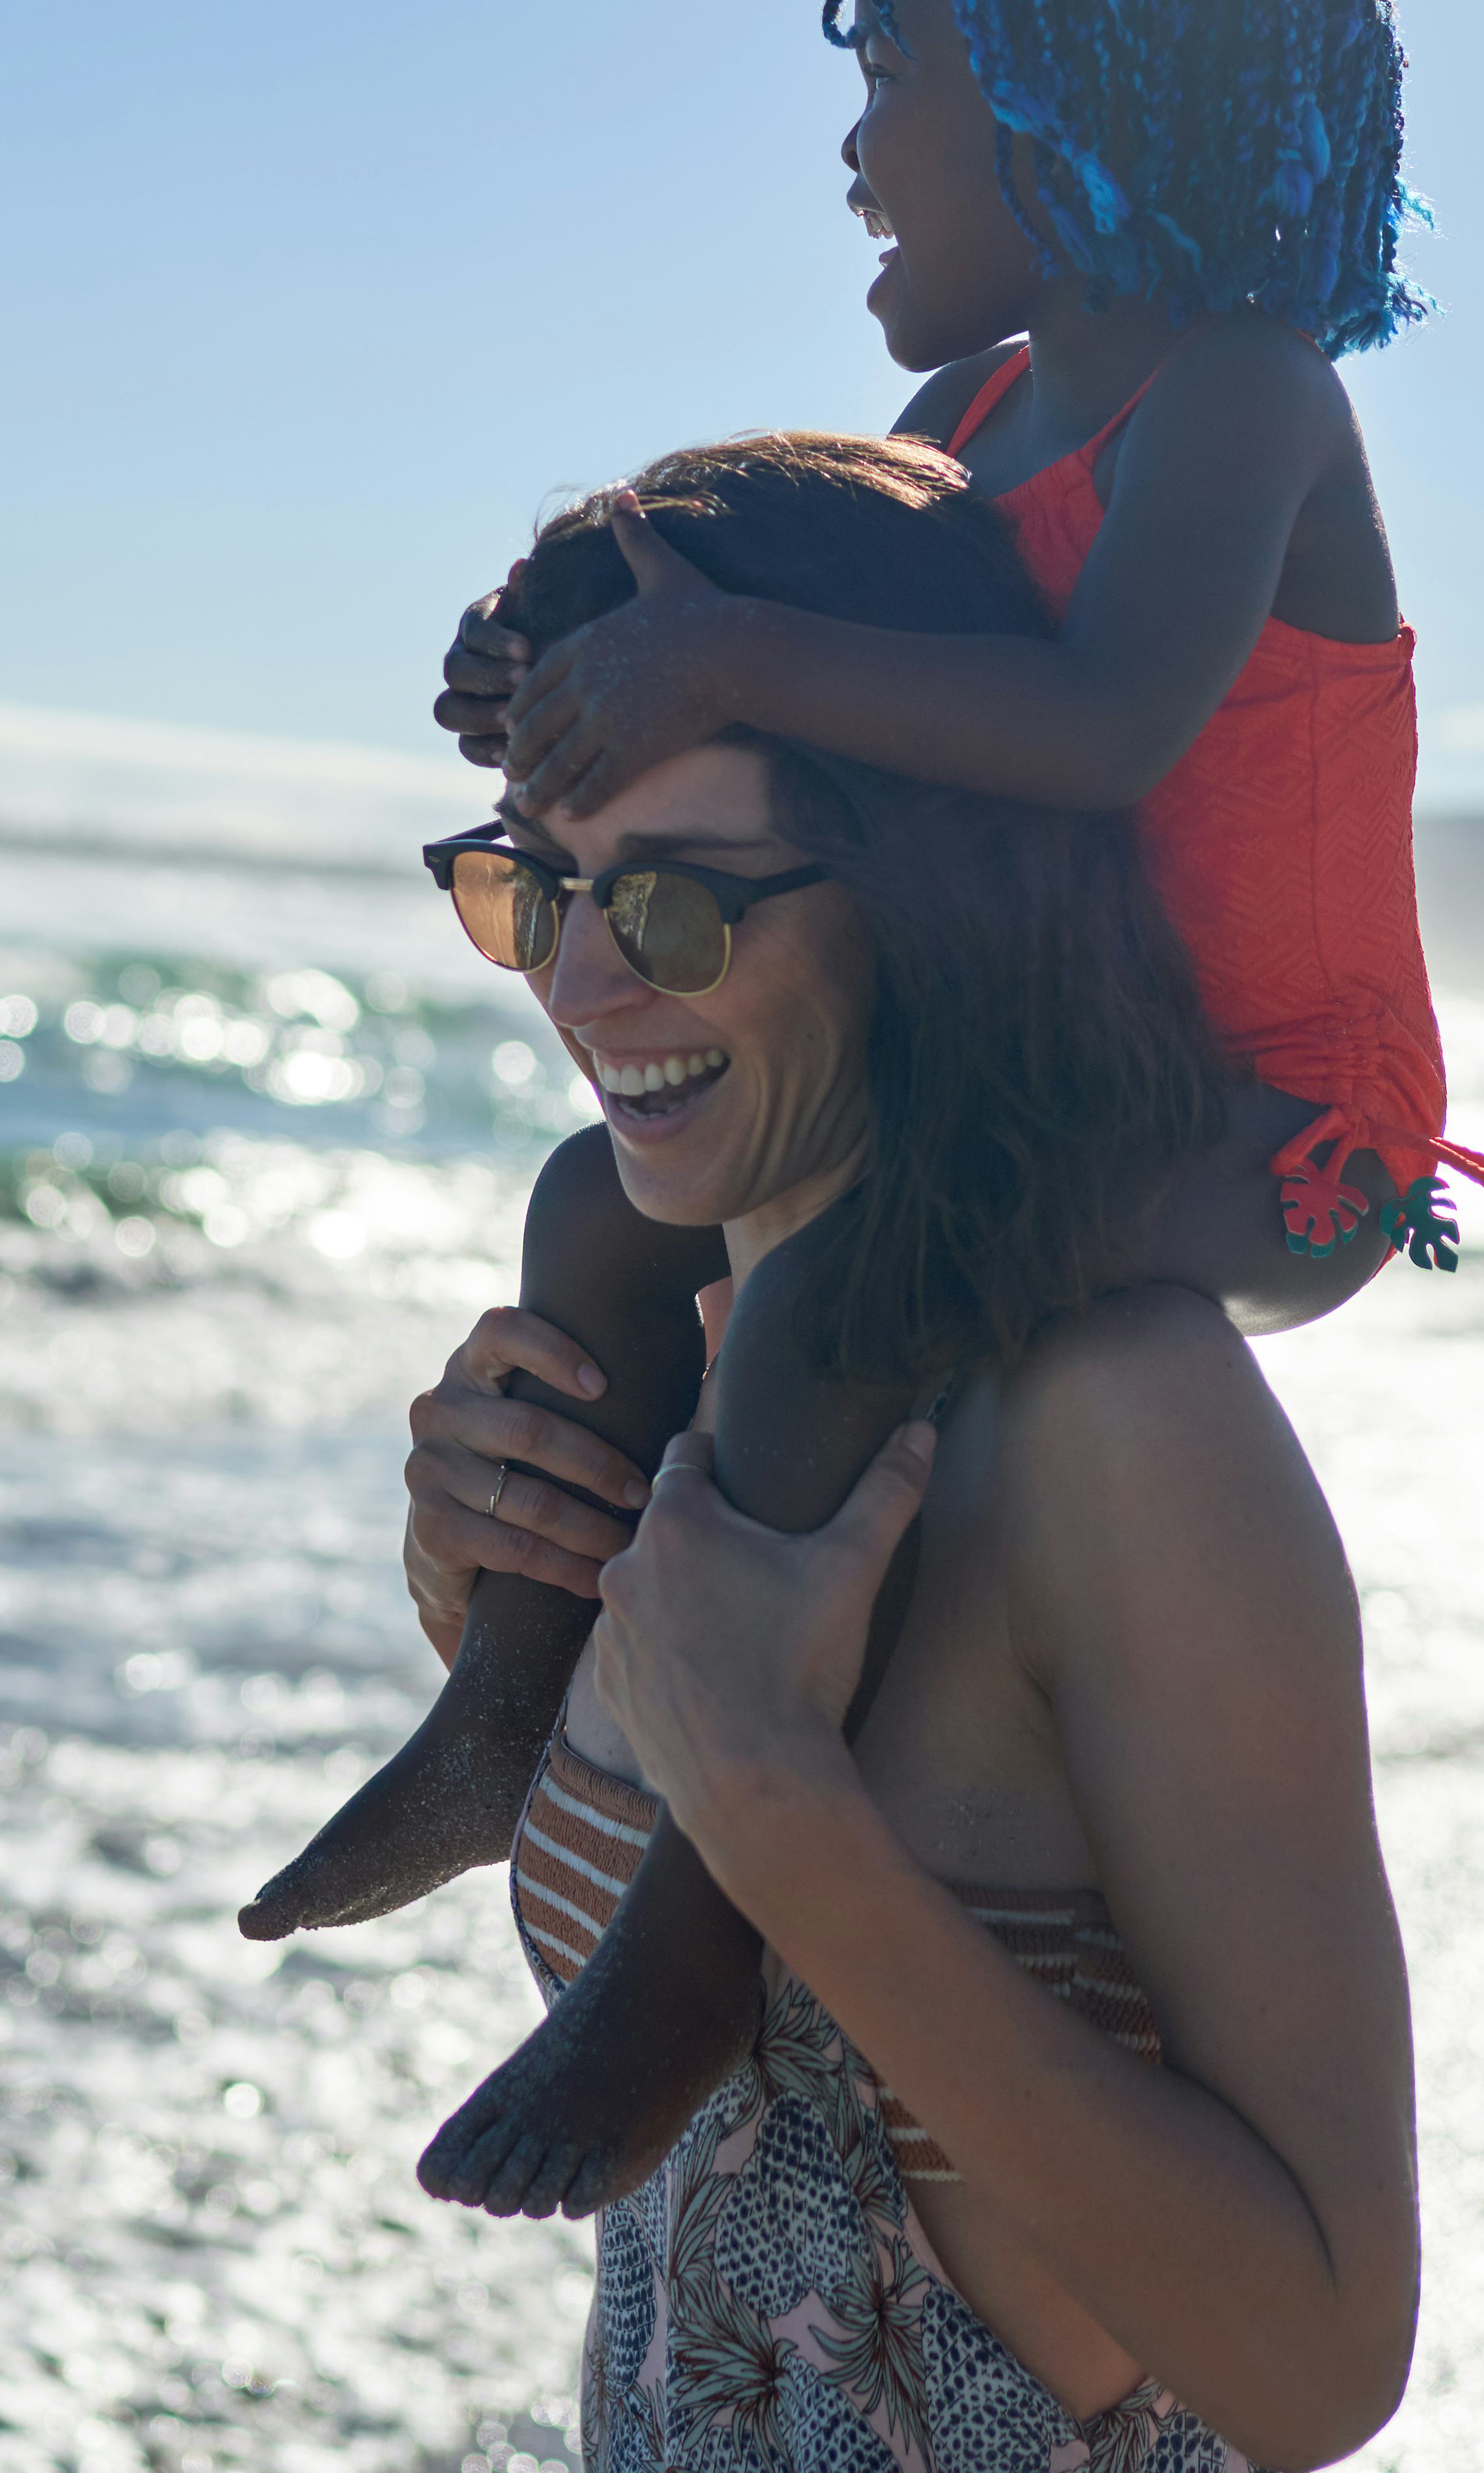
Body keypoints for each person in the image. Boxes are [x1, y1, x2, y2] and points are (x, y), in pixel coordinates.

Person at [242, 0, 1484, 2204]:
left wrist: (736, 674)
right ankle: (511, 1703)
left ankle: (699, 1943)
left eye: (898, 71)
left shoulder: (1247, 403)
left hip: (1274, 1119)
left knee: (837, 1311)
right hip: (1056, 1061)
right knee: (594, 1214)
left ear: (1077, 98)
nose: (855, 143)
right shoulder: (972, 410)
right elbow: (798, 610)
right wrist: (574, 664)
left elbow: (1096, 716)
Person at [385, 491, 1419, 2470]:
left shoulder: (1128, 1428)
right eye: (539, 887)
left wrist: (788, 1825)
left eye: (677, 904)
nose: (583, 991)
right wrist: (483, 1587)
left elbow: (1320, 2367)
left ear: (925, 897)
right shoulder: (690, 1339)